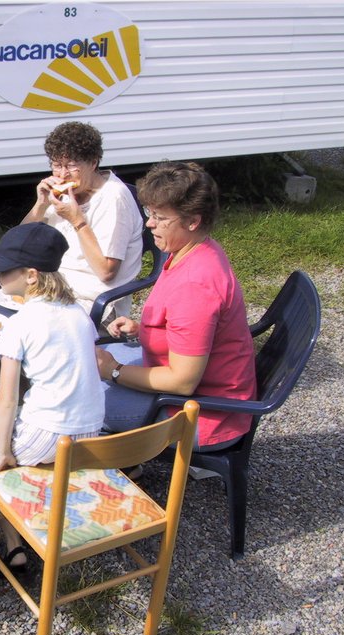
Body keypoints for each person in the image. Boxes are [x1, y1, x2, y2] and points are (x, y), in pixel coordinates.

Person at [94, 161, 257, 473]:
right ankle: (122, 461)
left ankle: (117, 472)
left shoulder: (196, 284)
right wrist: (144, 329)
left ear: (193, 221)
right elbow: (191, 330)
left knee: (78, 400)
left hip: (203, 415)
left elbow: (182, 382)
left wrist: (113, 371)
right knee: (82, 370)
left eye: (160, 217)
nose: (149, 224)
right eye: (149, 213)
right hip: (191, 389)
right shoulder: (196, 250)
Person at [0, 222, 105, 569]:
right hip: (90, 432)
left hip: (50, 432)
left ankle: (14, 543)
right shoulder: (78, 313)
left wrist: (4, 451)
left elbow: (6, 399)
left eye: (3, 270)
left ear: (31, 276)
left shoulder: (21, 322)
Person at [21, 121, 144, 325]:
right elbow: (20, 245)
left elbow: (106, 272)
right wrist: (40, 205)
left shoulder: (113, 198)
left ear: (93, 162)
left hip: (89, 301)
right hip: (50, 286)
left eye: (71, 166)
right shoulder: (67, 193)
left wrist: (77, 221)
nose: (63, 174)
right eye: (57, 165)